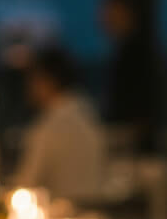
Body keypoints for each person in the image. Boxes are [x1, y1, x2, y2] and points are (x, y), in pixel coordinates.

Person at [15, 47, 104, 202]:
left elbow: (26, 184)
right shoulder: (89, 116)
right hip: (97, 213)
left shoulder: (48, 126)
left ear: (47, 81)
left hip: (60, 216)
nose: (28, 88)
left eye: (32, 79)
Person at [98, 0, 148, 129]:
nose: (105, 20)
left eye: (112, 14)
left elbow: (141, 101)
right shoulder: (123, 50)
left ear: (129, 14)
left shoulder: (137, 53)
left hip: (127, 135)